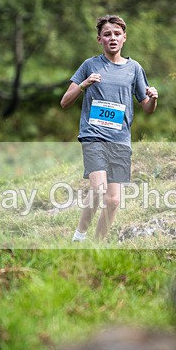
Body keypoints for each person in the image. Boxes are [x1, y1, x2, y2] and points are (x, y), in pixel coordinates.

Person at [60, 15, 158, 241]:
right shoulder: (90, 65)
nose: (112, 38)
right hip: (93, 136)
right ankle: (79, 236)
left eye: (117, 34)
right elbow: (64, 102)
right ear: (99, 39)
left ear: (124, 38)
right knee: (98, 189)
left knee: (113, 200)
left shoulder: (134, 69)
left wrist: (153, 98)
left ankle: (97, 246)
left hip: (120, 140)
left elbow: (147, 108)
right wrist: (84, 85)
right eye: (107, 34)